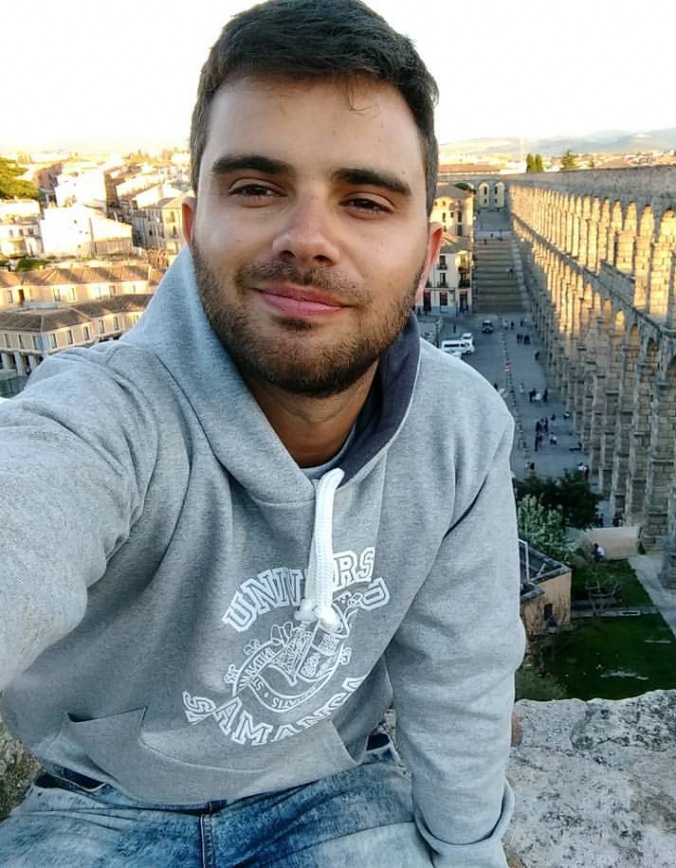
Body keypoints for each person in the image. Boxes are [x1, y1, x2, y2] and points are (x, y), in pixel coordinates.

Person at [0, 1, 524, 865]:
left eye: (365, 200)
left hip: (339, 793)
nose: (307, 239)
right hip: (98, 807)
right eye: (256, 188)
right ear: (190, 228)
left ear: (427, 255)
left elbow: (460, 673)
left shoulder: (459, 431)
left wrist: (469, 853)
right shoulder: (103, 418)